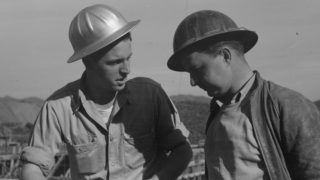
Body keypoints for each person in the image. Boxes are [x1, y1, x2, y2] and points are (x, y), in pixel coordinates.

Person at [20, 4, 192, 180]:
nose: (127, 69)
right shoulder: (58, 108)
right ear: (88, 61)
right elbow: (33, 167)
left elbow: (182, 150)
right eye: (115, 62)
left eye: (128, 58)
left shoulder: (151, 95)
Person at [167, 10, 320, 180]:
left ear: (225, 56)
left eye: (197, 70)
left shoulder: (289, 106)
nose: (192, 82)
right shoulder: (217, 114)